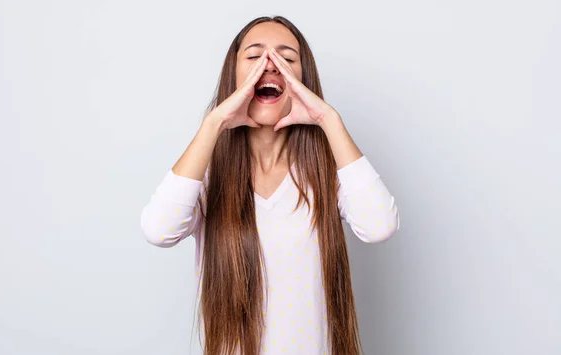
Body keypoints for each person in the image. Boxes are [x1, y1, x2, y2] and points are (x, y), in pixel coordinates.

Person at [140, 15, 400, 355]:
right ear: (232, 77)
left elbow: (379, 225)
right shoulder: (206, 175)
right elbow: (159, 230)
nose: (271, 66)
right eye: (254, 57)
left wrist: (328, 120)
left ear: (303, 79)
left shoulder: (327, 172)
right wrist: (214, 122)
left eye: (286, 59)